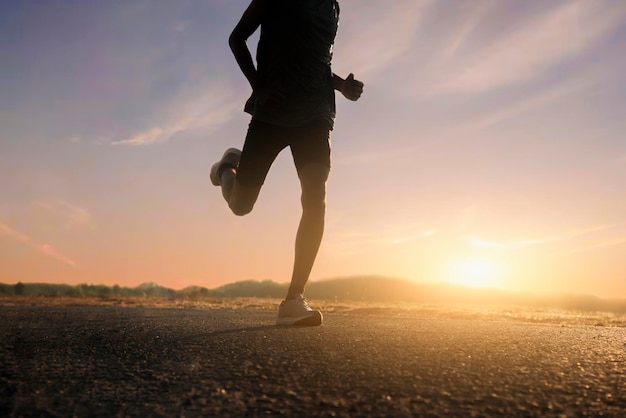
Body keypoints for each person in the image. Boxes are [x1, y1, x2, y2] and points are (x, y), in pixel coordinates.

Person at [211, 0, 363, 326]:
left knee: (315, 194)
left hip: (316, 114)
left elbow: (318, 62)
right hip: (273, 112)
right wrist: (259, 85)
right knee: (240, 206)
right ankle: (227, 168)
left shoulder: (333, 7)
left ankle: (294, 300)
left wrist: (342, 87)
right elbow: (237, 38)